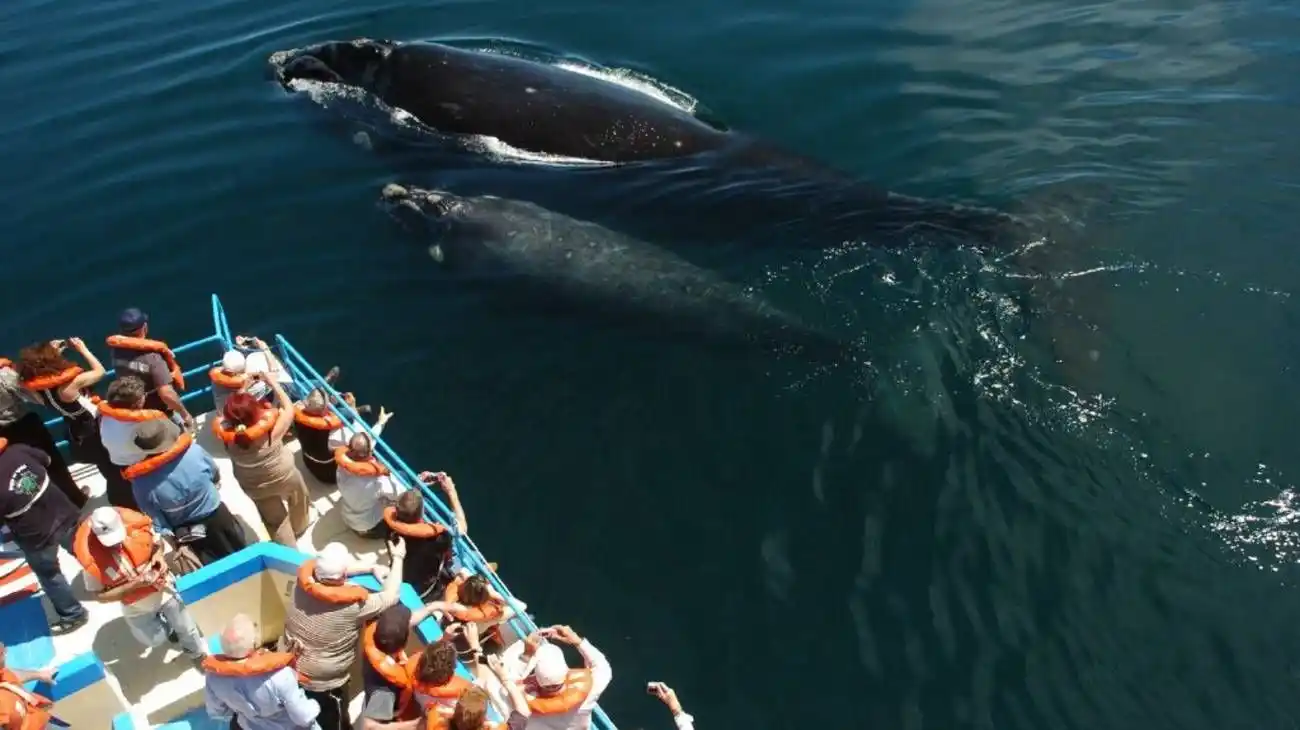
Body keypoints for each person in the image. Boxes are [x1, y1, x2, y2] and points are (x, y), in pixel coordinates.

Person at [281, 540, 406, 730]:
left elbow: (328, 575)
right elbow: (392, 594)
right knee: (335, 723)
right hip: (324, 686)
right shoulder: (353, 607)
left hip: (288, 671)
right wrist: (398, 556)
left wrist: (371, 567)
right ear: (344, 574)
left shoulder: (302, 585)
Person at [74, 506, 207, 661]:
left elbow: (158, 544)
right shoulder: (91, 562)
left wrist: (159, 557)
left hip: (164, 590)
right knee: (154, 639)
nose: (115, 544)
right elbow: (100, 596)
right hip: (135, 606)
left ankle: (196, 654)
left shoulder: (139, 527)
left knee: (187, 628)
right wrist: (135, 585)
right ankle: (168, 630)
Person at [0, 438, 89, 634]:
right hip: (63, 511)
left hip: (35, 535)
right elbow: (46, 460)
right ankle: (113, 579)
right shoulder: (19, 449)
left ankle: (73, 614)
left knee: (49, 573)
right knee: (86, 549)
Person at [129, 419, 248, 565]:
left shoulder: (140, 482)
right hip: (218, 516)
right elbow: (214, 473)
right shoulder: (194, 451)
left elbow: (156, 518)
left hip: (188, 533)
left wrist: (173, 541)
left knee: (213, 568)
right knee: (242, 554)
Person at [214, 376, 308, 547]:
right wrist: (273, 382)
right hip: (284, 475)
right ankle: (300, 526)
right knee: (299, 496)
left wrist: (242, 391)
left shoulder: (227, 439)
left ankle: (291, 555)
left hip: (254, 486)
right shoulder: (271, 432)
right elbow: (289, 408)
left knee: (276, 521)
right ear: (255, 412)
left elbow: (233, 417)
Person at [204, 613, 322, 730]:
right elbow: (303, 718)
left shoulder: (212, 677)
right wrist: (315, 705)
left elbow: (218, 712)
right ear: (254, 642)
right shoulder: (281, 676)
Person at [0, 359, 84, 510]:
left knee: (25, 472)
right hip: (23, 425)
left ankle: (48, 509)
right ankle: (75, 499)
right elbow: (34, 396)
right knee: (53, 463)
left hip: (3, 436)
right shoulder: (4, 375)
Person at [359, 602, 444, 730]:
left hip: (377, 690)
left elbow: (406, 623)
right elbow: (370, 727)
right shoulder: (384, 691)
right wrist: (416, 724)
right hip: (385, 712)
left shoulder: (379, 637)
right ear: (403, 645)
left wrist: (434, 606)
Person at [107, 307, 194, 431]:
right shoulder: (152, 358)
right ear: (144, 328)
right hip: (158, 411)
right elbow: (166, 393)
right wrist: (185, 414)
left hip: (134, 409)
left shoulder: (116, 351)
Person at [382, 473, 465, 600]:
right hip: (426, 589)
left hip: (401, 575)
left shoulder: (390, 526)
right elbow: (462, 529)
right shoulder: (439, 538)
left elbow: (405, 510)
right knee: (460, 559)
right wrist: (451, 492)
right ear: (422, 513)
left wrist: (416, 488)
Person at [516, 626, 612, 730]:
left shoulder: (526, 704)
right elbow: (602, 665)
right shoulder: (591, 688)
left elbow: (507, 686)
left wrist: (525, 656)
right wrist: (577, 640)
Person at [295, 389, 392, 485]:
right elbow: (365, 439)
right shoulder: (337, 436)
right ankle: (353, 411)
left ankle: (351, 411)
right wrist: (381, 422)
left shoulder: (299, 411)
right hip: (327, 475)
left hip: (309, 462)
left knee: (344, 413)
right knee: (361, 447)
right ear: (324, 411)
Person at [99, 377, 182, 480]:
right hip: (142, 469)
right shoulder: (143, 427)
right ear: (137, 404)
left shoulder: (105, 416)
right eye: (144, 395)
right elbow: (171, 442)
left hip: (118, 464)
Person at [434, 569, 524, 660]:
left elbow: (463, 569)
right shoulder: (488, 616)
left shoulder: (453, 601)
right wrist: (493, 593)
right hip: (462, 653)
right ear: (486, 596)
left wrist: (475, 583)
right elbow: (521, 606)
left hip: (443, 631)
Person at [335, 433, 408, 540]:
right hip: (366, 527)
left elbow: (359, 449)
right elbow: (404, 495)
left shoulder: (342, 465)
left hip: (347, 515)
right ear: (370, 453)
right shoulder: (378, 481)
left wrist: (380, 423)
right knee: (402, 476)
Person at [0, 641, 60, 730]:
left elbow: (10, 674)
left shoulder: (2, 672)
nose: (6, 650)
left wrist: (40, 675)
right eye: (1, 652)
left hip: (41, 719)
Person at [210, 349, 248, 416]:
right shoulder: (237, 383)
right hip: (232, 415)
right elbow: (241, 394)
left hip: (222, 412)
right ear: (233, 373)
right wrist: (246, 384)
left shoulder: (216, 375)